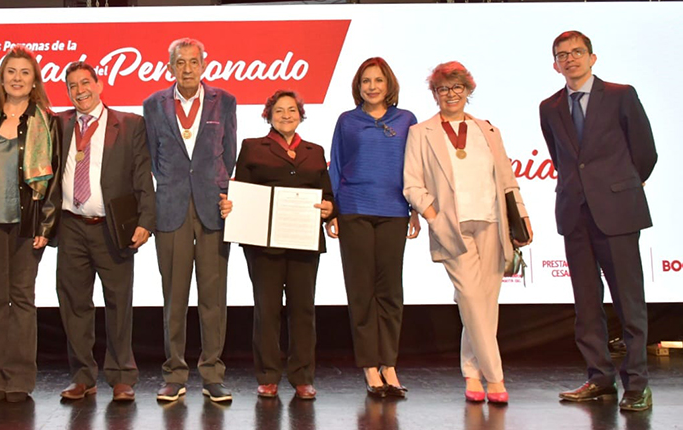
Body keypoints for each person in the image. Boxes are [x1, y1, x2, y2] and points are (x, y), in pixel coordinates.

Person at [540, 31, 657, 411]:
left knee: (629, 302)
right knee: (586, 304)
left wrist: (618, 188)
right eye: (562, 55)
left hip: (618, 213)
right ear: (554, 64)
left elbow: (645, 153)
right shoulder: (550, 106)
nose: (570, 59)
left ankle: (637, 383)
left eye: (577, 52)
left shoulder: (622, 95)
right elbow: (562, 159)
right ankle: (599, 378)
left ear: (593, 57)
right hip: (575, 213)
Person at [402, 61, 532, 404]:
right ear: (434, 94)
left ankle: (472, 373)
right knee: (473, 300)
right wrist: (434, 216)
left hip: (492, 223)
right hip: (452, 228)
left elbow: (506, 179)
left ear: (468, 91)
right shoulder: (421, 132)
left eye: (457, 88)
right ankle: (496, 378)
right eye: (443, 89)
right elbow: (412, 184)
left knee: (485, 305)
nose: (451, 95)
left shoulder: (488, 130)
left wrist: (522, 216)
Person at [0, 46, 61, 403]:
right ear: (1, 78)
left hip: (26, 226)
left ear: (34, 80)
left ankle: (19, 378)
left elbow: (55, 181)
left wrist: (45, 227)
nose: (17, 78)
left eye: (24, 72)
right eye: (11, 72)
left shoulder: (46, 121)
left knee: (22, 300)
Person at [218, 90, 333, 400]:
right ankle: (268, 376)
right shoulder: (253, 147)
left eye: (292, 110)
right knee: (267, 311)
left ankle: (302, 377)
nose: (286, 115)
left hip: (304, 242)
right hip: (262, 244)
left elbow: (328, 196)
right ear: (268, 115)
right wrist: (231, 205)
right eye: (279, 110)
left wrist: (328, 209)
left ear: (301, 114)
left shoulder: (315, 150)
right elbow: (240, 190)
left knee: (303, 311)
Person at [143, 37, 237, 403]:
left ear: (203, 64)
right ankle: (174, 373)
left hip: (212, 208)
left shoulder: (224, 101)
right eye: (180, 63)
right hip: (171, 209)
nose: (187, 69)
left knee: (213, 297)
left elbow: (228, 155)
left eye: (193, 62)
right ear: (170, 67)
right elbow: (154, 157)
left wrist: (218, 191)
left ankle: (213, 374)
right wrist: (173, 187)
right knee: (174, 297)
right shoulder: (154, 105)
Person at [55, 62, 155, 403]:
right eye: (72, 85)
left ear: (100, 84)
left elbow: (143, 175)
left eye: (85, 82)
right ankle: (82, 376)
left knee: (118, 303)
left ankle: (122, 376)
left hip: (112, 228)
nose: (79, 89)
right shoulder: (60, 123)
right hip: (71, 227)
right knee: (74, 305)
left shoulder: (129, 124)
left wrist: (146, 220)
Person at [326, 58, 419, 398]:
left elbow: (415, 168)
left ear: (388, 84)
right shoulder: (347, 122)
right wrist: (333, 211)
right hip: (354, 210)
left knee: (390, 291)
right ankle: (369, 366)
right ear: (358, 86)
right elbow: (335, 165)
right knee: (361, 291)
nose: (372, 86)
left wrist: (415, 210)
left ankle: (389, 364)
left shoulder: (406, 120)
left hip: (394, 211)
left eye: (378, 80)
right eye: (366, 81)